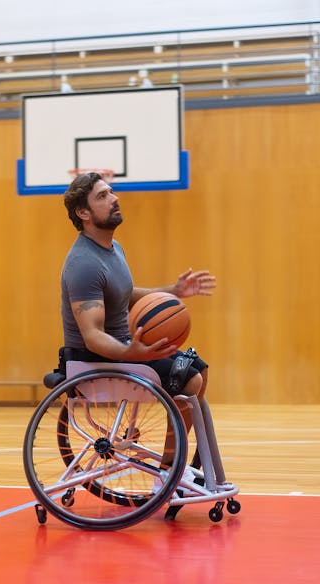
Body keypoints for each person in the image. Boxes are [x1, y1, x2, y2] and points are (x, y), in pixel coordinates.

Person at [60, 172, 226, 483]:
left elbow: (125, 294)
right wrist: (130, 352)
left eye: (111, 192)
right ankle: (168, 474)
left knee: (198, 371)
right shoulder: (84, 263)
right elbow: (92, 335)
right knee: (188, 381)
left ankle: (170, 467)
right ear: (83, 213)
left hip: (123, 348)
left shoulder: (112, 249)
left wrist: (173, 291)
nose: (114, 198)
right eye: (103, 196)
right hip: (96, 357)